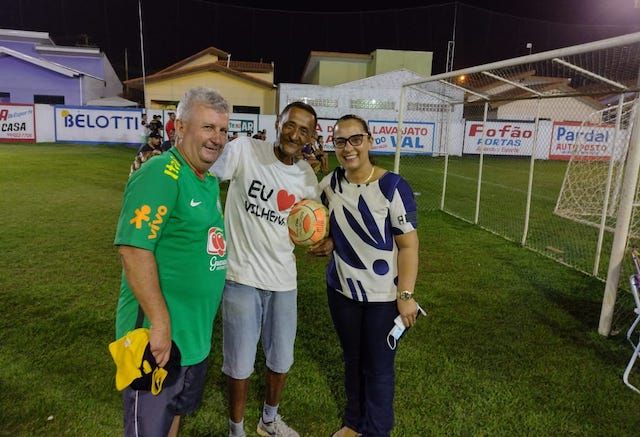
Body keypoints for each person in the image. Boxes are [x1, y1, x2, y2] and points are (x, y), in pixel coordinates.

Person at [113, 87, 230, 437]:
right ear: (179, 127)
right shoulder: (160, 173)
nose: (217, 138)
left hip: (194, 338)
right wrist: (161, 323)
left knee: (175, 415)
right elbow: (134, 250)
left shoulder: (207, 181)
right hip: (156, 339)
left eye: (223, 130)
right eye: (208, 127)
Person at [210, 102, 319, 437]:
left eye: (304, 131)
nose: (294, 135)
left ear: (311, 137)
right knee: (239, 362)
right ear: (277, 123)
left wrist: (320, 239)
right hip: (240, 277)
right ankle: (236, 430)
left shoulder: (307, 176)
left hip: (284, 281)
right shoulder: (245, 150)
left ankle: (268, 421)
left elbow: (311, 224)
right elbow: (206, 175)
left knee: (281, 359)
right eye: (290, 125)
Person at [310, 114, 420, 437]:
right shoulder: (329, 185)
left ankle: (376, 430)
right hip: (342, 291)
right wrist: (329, 241)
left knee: (379, 368)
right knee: (352, 360)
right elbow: (330, 225)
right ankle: (353, 423)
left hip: (383, 298)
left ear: (369, 140)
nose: (349, 148)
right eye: (340, 141)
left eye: (356, 139)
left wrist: (406, 296)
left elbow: (408, 246)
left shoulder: (392, 187)